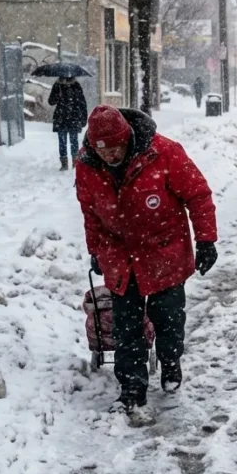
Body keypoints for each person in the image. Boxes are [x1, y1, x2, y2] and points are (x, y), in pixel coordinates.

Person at [75, 105, 218, 416]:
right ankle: (132, 388)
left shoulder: (163, 153)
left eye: (116, 149)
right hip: (120, 255)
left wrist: (206, 240)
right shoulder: (87, 166)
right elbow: (90, 212)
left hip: (164, 249)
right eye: (104, 152)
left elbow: (198, 194)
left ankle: (170, 364)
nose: (110, 157)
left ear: (127, 138)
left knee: (168, 317)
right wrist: (96, 249)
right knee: (127, 328)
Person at [47, 77, 88, 171]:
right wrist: (57, 95)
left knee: (74, 141)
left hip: (73, 117)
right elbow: (51, 101)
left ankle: (75, 162)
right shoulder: (58, 86)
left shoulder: (76, 86)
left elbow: (82, 103)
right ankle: (64, 163)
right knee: (62, 142)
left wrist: (83, 118)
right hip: (61, 118)